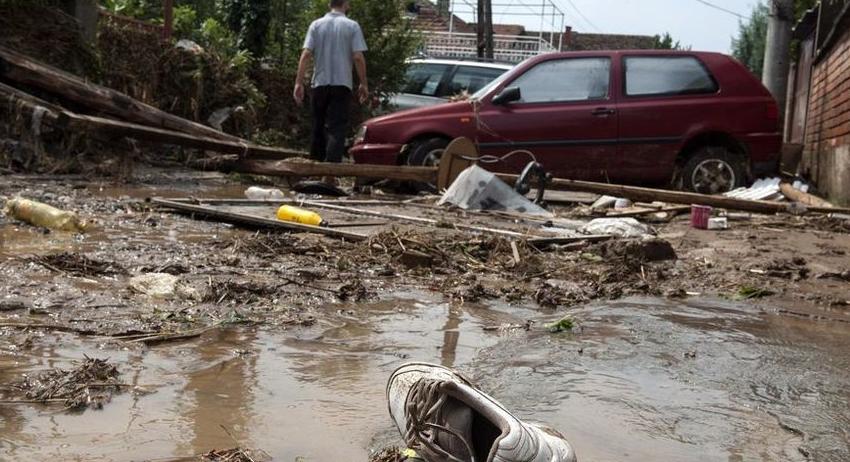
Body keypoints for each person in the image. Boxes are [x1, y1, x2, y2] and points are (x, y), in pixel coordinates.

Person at [293, 0, 369, 171]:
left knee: (318, 125)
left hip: (319, 83)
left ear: (329, 4)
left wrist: (298, 82)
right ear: (346, 4)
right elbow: (358, 57)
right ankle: (329, 174)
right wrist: (363, 83)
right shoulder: (352, 26)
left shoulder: (316, 25)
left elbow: (306, 54)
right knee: (337, 128)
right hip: (342, 84)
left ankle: (314, 169)